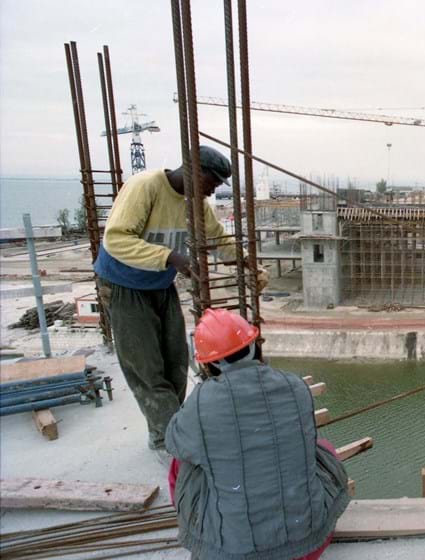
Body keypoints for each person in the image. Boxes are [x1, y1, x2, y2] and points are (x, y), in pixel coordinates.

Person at [94, 146, 264, 461]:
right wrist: (170, 257)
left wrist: (246, 262)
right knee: (147, 368)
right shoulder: (145, 187)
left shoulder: (196, 204)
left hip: (159, 284)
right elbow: (115, 239)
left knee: (176, 361)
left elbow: (216, 240)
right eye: (211, 181)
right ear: (191, 169)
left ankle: (171, 431)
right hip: (123, 286)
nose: (213, 190)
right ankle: (169, 443)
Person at [166, 309, 350, 560]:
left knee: (182, 462)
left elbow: (172, 440)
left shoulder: (201, 403)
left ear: (209, 363)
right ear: (253, 345)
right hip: (308, 544)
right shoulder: (294, 385)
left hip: (234, 552)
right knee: (321, 447)